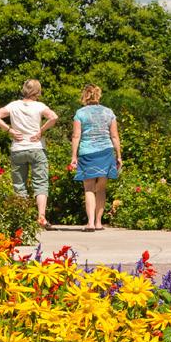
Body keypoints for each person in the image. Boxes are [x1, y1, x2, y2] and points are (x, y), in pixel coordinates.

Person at [0, 79, 58, 228]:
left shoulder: (13, 105)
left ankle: (23, 217)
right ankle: (41, 217)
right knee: (40, 183)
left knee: (19, 185)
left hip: (18, 148)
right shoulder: (40, 106)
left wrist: (9, 130)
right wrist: (41, 131)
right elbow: (54, 117)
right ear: (38, 92)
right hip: (36, 148)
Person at [68, 84, 122, 231]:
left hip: (88, 153)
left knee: (89, 188)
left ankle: (90, 223)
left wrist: (74, 156)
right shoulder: (109, 112)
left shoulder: (80, 113)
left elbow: (76, 135)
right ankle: (99, 223)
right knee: (102, 189)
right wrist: (119, 155)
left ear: (85, 95)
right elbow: (114, 136)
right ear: (98, 95)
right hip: (106, 151)